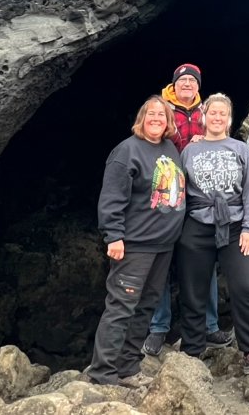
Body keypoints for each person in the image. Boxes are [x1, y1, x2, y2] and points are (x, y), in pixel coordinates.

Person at [84, 96, 186, 386]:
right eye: (151, 114)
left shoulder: (169, 149)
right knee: (121, 307)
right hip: (135, 245)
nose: (156, 119)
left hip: (163, 245)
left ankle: (128, 367)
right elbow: (112, 198)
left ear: (168, 122)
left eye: (162, 115)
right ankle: (103, 374)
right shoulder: (126, 151)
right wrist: (113, 236)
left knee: (145, 307)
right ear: (141, 118)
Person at [177, 93, 249, 374]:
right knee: (193, 291)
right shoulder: (189, 151)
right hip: (196, 224)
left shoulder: (241, 149)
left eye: (223, 113)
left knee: (245, 288)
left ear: (229, 119)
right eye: (213, 112)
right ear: (204, 116)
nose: (217, 117)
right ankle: (192, 351)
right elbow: (179, 191)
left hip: (235, 227)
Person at [144, 63, 231, 354]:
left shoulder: (206, 113)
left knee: (204, 260)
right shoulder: (162, 110)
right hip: (167, 193)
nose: (187, 85)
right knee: (161, 262)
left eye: (192, 81)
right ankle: (159, 328)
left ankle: (210, 326)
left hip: (198, 197)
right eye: (182, 81)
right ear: (174, 84)